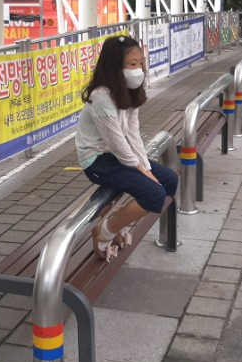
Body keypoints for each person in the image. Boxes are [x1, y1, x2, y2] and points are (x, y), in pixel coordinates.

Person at [75, 35, 178, 261]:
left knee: (169, 181)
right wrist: (141, 170)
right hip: (97, 160)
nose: (139, 69)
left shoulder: (129, 90)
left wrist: (145, 166)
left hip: (116, 156)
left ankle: (118, 221)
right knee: (154, 194)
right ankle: (104, 232)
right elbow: (116, 142)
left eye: (140, 63)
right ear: (115, 66)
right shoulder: (100, 96)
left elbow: (132, 133)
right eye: (132, 64)